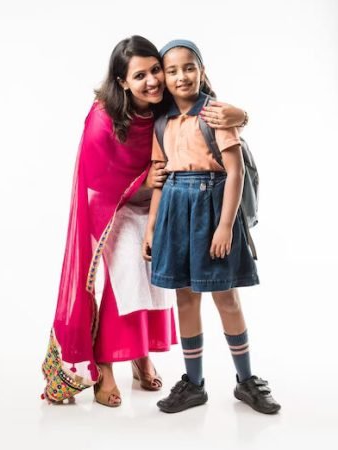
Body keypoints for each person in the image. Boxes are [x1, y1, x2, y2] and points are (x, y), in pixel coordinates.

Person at [41, 35, 248, 407]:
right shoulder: (103, 118)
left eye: (156, 71)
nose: (153, 81)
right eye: (140, 76)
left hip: (159, 203)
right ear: (122, 82)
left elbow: (207, 112)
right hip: (111, 208)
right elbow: (96, 179)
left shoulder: (163, 103)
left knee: (153, 278)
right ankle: (105, 364)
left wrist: (243, 116)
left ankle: (140, 356)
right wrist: (142, 183)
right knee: (126, 278)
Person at [143, 39, 281, 414]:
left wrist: (225, 227)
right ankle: (194, 383)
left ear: (202, 71)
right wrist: (153, 226)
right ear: (165, 79)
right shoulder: (163, 123)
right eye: (172, 71)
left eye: (189, 67)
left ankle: (246, 380)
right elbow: (160, 179)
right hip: (174, 208)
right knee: (185, 297)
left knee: (226, 296)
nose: (181, 76)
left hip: (211, 207)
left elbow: (234, 171)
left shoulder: (217, 114)